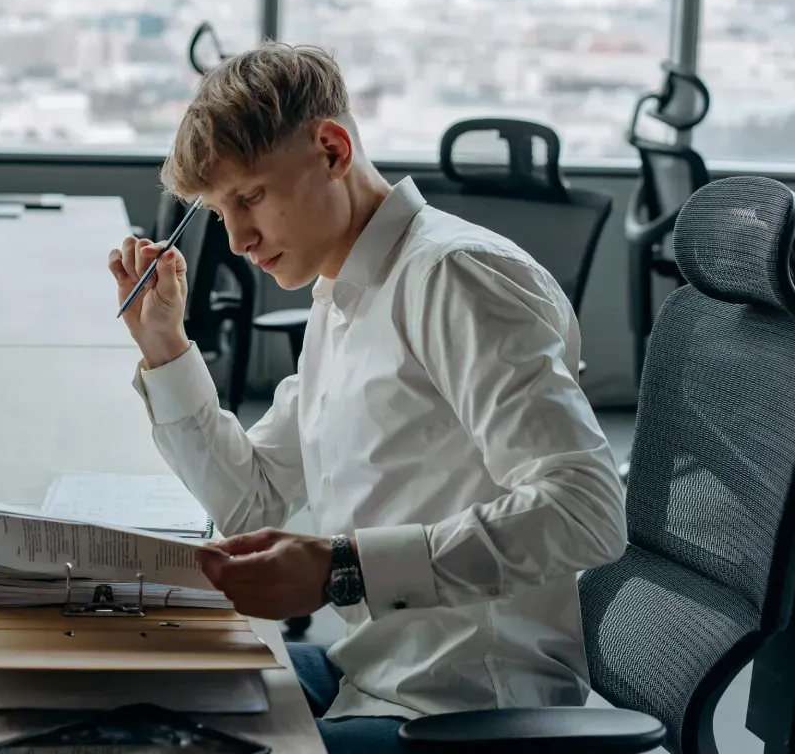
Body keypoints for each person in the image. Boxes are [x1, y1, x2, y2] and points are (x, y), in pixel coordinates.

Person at [108, 42, 627, 752]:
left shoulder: (454, 277)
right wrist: (166, 347)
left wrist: (342, 567)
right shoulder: (342, 291)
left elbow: (587, 510)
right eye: (220, 212)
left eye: (251, 196)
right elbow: (250, 501)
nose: (239, 241)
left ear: (331, 149)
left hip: (462, 709)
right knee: (115, 693)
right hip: (373, 673)